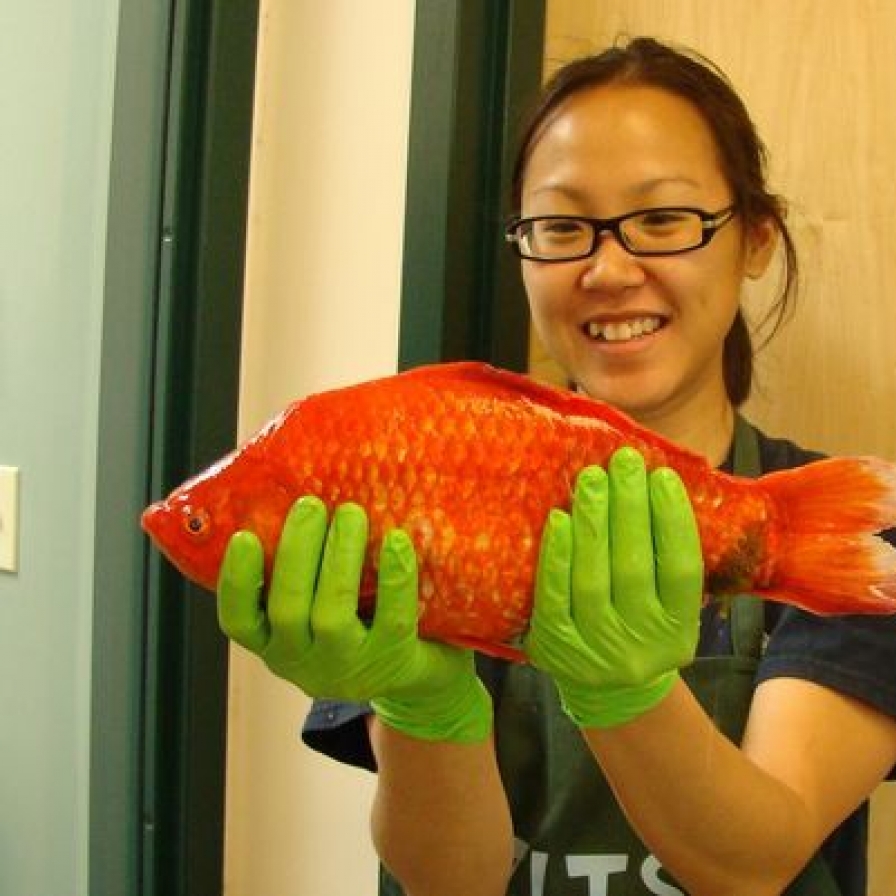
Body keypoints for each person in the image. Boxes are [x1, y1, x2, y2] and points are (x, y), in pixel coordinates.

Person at [217, 36, 896, 896]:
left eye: (662, 219)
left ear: (754, 238)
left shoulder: (832, 532)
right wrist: (422, 705)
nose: (609, 269)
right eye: (562, 228)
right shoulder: (416, 490)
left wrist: (627, 696)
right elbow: (451, 882)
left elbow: (757, 863)